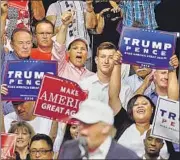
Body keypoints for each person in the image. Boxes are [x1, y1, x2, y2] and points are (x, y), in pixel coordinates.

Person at [108, 61, 174, 159]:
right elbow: (113, 96)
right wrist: (117, 64)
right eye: (136, 104)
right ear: (131, 109)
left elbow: (172, 99)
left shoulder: (161, 125)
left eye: (144, 103)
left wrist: (172, 69)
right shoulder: (122, 121)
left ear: (152, 109)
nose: (140, 106)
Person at [59, 99, 139, 159]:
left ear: (105, 128)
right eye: (80, 124)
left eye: (87, 125)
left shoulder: (127, 157)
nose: (82, 131)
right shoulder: (68, 148)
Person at [79, 42, 132, 109]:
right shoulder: (83, 85)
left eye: (111, 57)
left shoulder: (125, 89)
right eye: (103, 57)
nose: (106, 61)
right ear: (96, 60)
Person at [46, 0, 97, 70]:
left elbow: (91, 25)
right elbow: (49, 32)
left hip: (84, 54)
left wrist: (89, 5)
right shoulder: (54, 6)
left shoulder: (84, 4)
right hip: (63, 55)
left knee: (86, 80)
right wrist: (64, 24)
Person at [51, 11, 94, 83]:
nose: (79, 51)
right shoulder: (61, 68)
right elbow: (58, 47)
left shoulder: (92, 77)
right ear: (68, 53)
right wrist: (65, 25)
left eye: (83, 49)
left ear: (87, 54)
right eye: (75, 48)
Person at [1, 28, 33, 115]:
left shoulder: (39, 66)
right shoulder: (4, 60)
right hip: (6, 117)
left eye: (28, 43)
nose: (25, 47)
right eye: (20, 43)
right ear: (11, 45)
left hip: (29, 117)